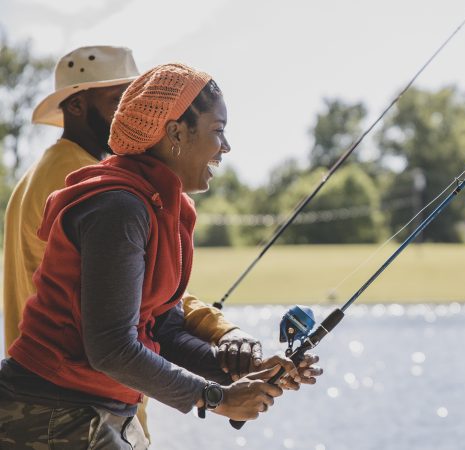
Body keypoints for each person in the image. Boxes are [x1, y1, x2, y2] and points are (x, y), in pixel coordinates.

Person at [0, 63, 322, 448]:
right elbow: (112, 349)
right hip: (51, 413)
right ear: (175, 133)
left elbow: (161, 329)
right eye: (217, 130)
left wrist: (239, 368)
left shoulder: (158, 204)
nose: (226, 147)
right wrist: (218, 400)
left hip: (101, 412)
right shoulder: (119, 207)